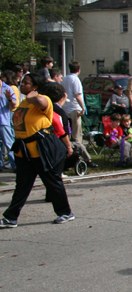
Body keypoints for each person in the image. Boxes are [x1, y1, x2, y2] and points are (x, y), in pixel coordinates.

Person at [0, 72, 73, 227]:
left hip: (42, 150)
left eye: (26, 83)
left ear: (35, 87)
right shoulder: (24, 103)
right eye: (23, 82)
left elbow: (40, 101)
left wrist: (33, 95)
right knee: (22, 185)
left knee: (53, 183)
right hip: (24, 151)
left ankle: (65, 212)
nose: (22, 85)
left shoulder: (43, 100)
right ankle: (11, 217)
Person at [62, 61, 86, 143]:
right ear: (79, 70)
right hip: (74, 108)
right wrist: (83, 107)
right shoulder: (75, 80)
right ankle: (77, 150)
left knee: (67, 131)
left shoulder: (64, 79)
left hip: (65, 107)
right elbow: (78, 95)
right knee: (76, 132)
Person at [0, 71, 18, 172]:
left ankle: (15, 164)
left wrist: (9, 99)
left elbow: (14, 105)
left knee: (9, 143)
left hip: (3, 120)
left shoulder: (7, 88)